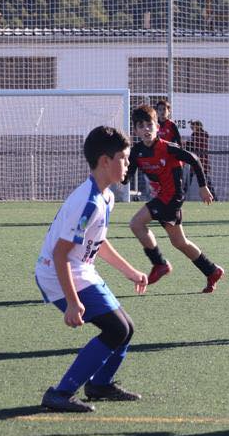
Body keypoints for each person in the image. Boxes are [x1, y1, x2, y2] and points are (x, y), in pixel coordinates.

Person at [36, 126, 148, 412]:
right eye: (123, 158)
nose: (128, 164)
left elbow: (98, 241)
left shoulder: (106, 196)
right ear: (104, 161)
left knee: (126, 328)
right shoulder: (87, 202)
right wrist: (72, 303)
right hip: (57, 272)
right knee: (115, 329)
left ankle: (100, 385)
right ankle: (60, 393)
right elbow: (60, 254)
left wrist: (130, 271)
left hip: (79, 267)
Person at [125, 105, 225, 293]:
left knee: (136, 224)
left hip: (171, 198)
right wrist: (117, 163)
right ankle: (211, 270)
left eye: (149, 124)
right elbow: (125, 179)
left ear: (157, 127)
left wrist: (203, 187)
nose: (146, 129)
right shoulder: (136, 151)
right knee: (179, 242)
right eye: (141, 126)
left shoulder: (167, 148)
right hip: (162, 197)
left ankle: (160, 264)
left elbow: (194, 159)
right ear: (136, 130)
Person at [187, 120, 215, 197]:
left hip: (202, 161)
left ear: (198, 126)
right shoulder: (194, 135)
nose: (192, 128)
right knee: (189, 178)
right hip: (194, 161)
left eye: (193, 126)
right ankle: (182, 194)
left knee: (205, 180)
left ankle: (213, 196)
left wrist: (187, 144)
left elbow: (196, 146)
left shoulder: (202, 135)